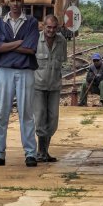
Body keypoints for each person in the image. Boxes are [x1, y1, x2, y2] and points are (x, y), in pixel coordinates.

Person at [0, 0, 40, 167]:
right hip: (4, 71)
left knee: (26, 112)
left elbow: (31, 49)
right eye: (12, 0)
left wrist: (6, 46)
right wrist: (19, 42)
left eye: (18, 0)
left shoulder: (31, 22)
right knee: (2, 112)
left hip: (25, 71)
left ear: (22, 2)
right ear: (7, 3)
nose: (16, 3)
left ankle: (30, 153)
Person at [33, 14, 68, 162]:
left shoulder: (62, 41)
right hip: (38, 86)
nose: (51, 30)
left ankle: (45, 150)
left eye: (54, 28)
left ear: (58, 28)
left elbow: (63, 60)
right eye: (49, 27)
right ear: (43, 26)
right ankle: (41, 152)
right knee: (40, 116)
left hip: (54, 86)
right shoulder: (35, 40)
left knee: (53, 119)